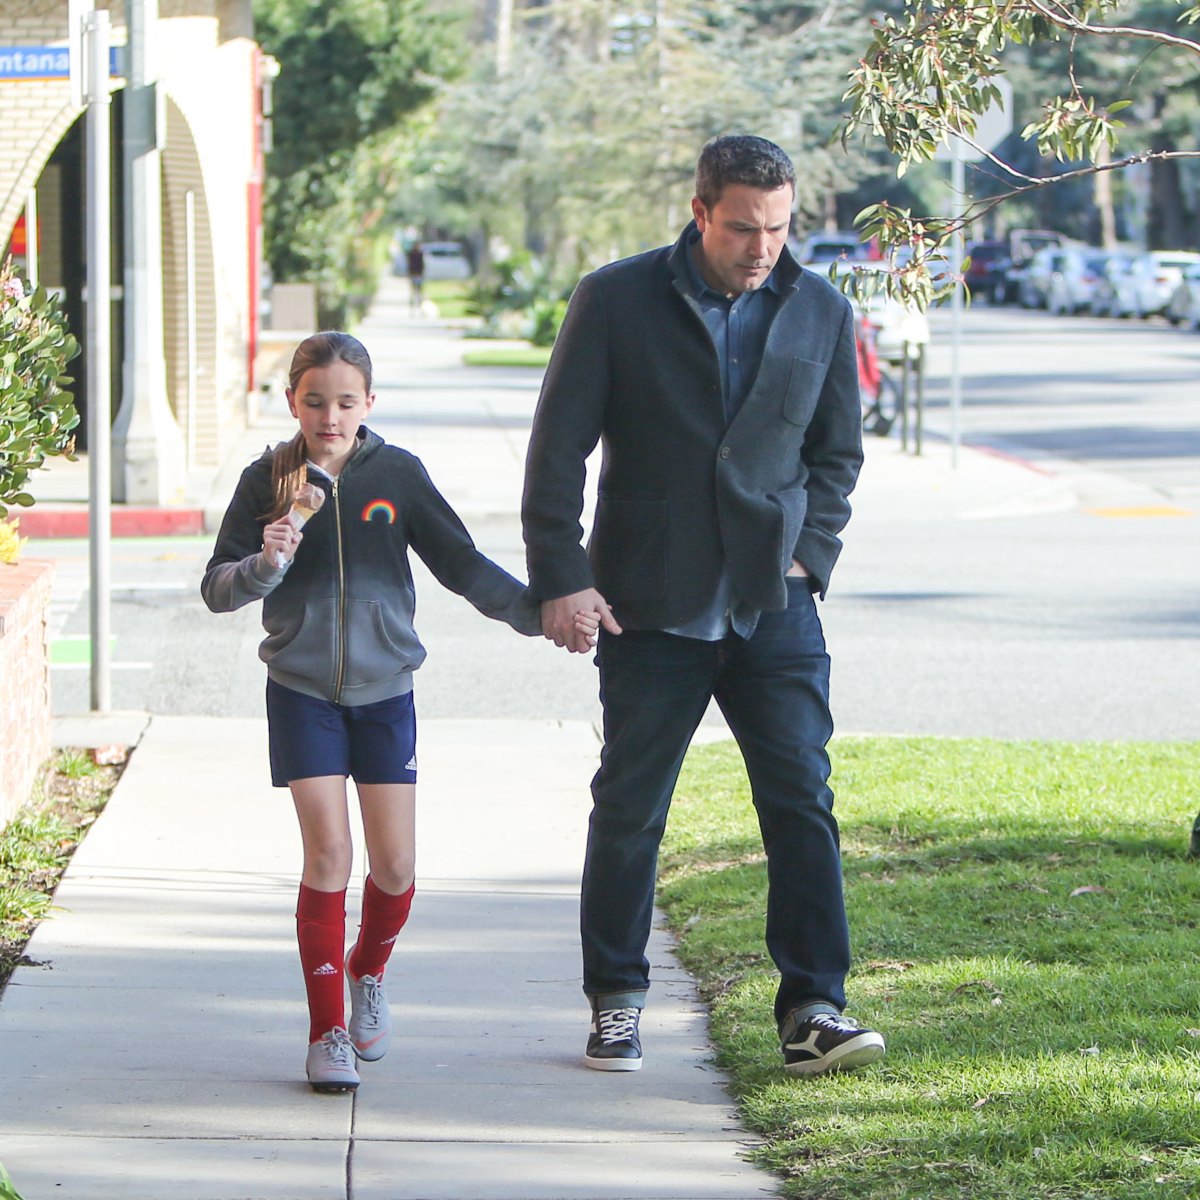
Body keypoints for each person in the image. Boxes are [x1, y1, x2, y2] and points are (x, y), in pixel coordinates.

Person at [521, 134, 885, 1077]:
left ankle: (813, 1007)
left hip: (775, 606)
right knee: (632, 806)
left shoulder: (820, 309)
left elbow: (837, 455)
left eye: (777, 226)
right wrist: (562, 575)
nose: (761, 245)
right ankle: (616, 1000)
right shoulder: (615, 299)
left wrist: (813, 554)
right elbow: (557, 451)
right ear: (699, 212)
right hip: (648, 603)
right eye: (740, 227)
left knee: (802, 801)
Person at [202, 331, 581, 1093]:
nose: (330, 416)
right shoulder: (265, 481)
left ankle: (367, 970)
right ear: (292, 403)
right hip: (302, 689)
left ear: (369, 403)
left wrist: (540, 614)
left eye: (346, 402)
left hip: (386, 694)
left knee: (398, 865)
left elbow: (463, 564)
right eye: (315, 401)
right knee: (329, 858)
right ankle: (327, 1031)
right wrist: (263, 566)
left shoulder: (398, 476)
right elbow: (217, 588)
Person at [406, 243, 425, 312]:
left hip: (418, 274)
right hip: (414, 274)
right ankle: (413, 306)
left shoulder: (420, 254)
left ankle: (419, 305)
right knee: (414, 290)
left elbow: (422, 264)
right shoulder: (411, 254)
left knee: (419, 291)